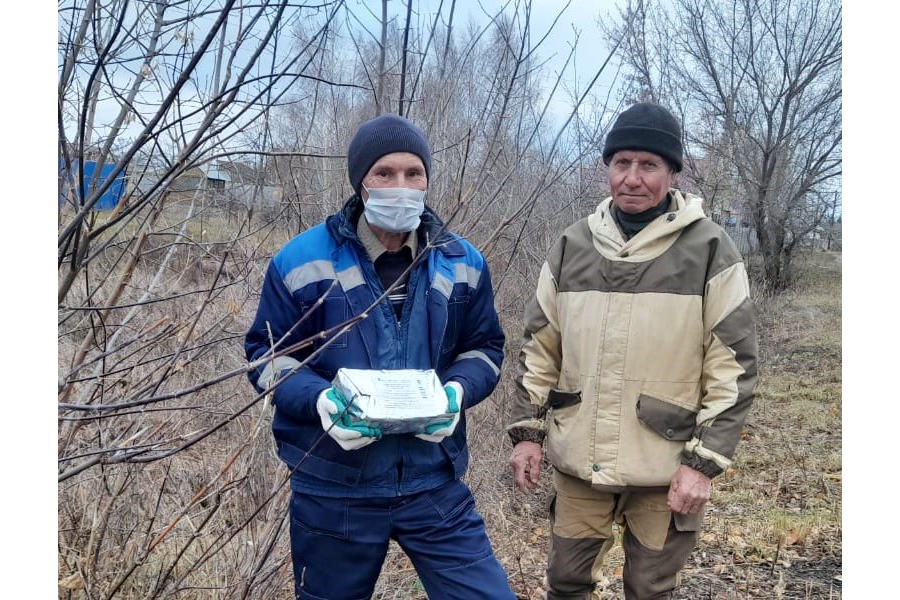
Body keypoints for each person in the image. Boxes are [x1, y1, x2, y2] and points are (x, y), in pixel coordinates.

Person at [245, 113, 516, 600]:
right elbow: (268, 355)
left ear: (428, 179)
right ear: (361, 182)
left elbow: (486, 348)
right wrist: (320, 401)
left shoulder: (462, 261)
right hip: (334, 484)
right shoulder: (302, 259)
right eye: (384, 173)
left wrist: (455, 392)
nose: (401, 186)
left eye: (414, 174)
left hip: (433, 479)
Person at [506, 102, 758, 600]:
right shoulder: (571, 245)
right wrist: (527, 434)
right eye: (622, 163)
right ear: (607, 168)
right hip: (580, 459)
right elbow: (539, 349)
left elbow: (733, 366)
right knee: (566, 584)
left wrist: (703, 461)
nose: (632, 178)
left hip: (666, 460)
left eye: (649, 165)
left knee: (650, 588)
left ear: (671, 173)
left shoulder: (710, 248)